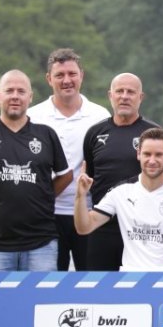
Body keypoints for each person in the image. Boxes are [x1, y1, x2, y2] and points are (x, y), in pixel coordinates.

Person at [0, 71, 72, 271]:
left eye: (21, 91)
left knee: (39, 302)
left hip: (41, 243)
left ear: (30, 97)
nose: (15, 96)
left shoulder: (46, 133)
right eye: (9, 90)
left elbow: (66, 175)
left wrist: (42, 196)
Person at [26, 48, 110, 271]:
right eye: (59, 75)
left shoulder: (100, 115)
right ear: (48, 79)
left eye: (72, 74)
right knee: (49, 285)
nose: (67, 80)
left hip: (89, 213)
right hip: (47, 216)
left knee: (91, 283)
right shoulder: (33, 116)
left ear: (81, 75)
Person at [72, 127, 163, 272]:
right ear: (138, 154)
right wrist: (80, 196)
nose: (152, 160)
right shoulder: (120, 191)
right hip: (130, 281)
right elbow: (84, 227)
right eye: (147, 154)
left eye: (158, 155)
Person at [81, 73, 162, 271]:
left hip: (142, 228)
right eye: (119, 91)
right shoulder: (95, 133)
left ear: (140, 97)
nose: (124, 96)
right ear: (110, 95)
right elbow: (91, 176)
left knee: (139, 288)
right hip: (102, 226)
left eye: (130, 92)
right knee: (98, 289)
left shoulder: (153, 134)